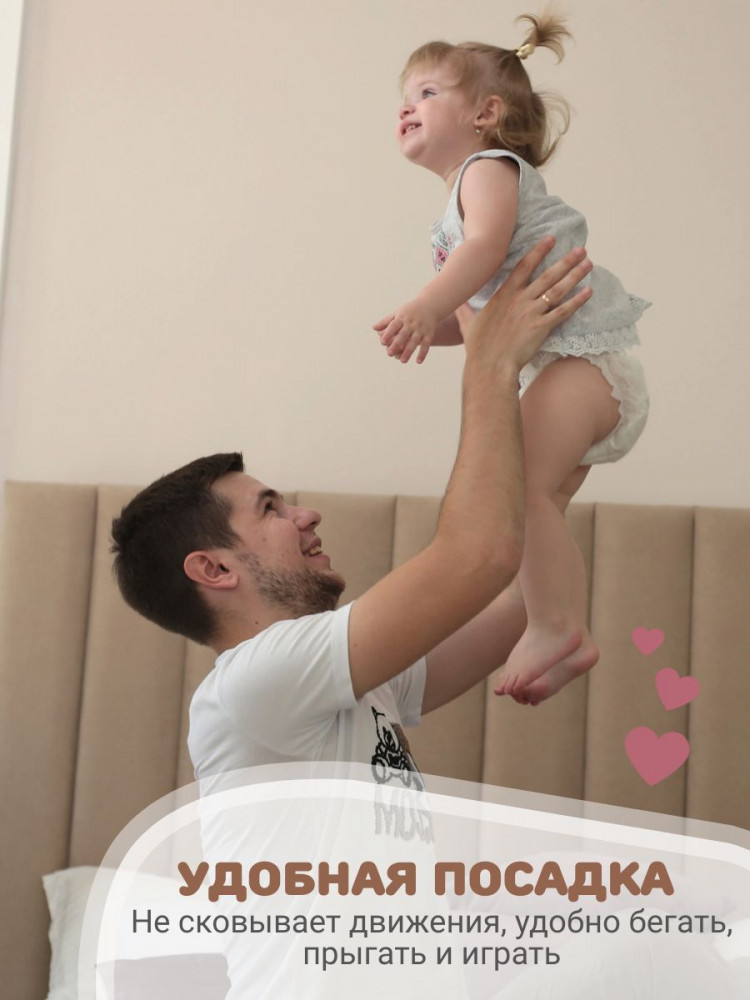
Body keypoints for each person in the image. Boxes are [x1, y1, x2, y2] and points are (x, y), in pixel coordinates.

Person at [110, 240, 593, 785]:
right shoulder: (251, 685)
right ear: (215, 569)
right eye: (270, 510)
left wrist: (547, 486)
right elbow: (480, 557)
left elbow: (516, 599)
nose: (307, 515)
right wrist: (490, 362)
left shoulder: (351, 680)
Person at [374, 12, 650, 706]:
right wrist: (431, 328)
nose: (407, 106)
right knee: (528, 507)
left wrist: (425, 305)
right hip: (572, 372)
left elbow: (487, 250)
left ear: (486, 114)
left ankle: (558, 625)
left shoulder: (487, 170)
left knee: (516, 489)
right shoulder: (454, 210)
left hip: (584, 362)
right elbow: (481, 316)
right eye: (404, 97)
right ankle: (553, 626)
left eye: (428, 93)